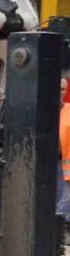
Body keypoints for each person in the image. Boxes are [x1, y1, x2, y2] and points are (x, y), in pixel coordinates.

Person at [58, 77, 70, 239]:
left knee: (65, 200)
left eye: (62, 89)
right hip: (46, 162)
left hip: (65, 165)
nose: (60, 92)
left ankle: (62, 232)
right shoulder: (42, 109)